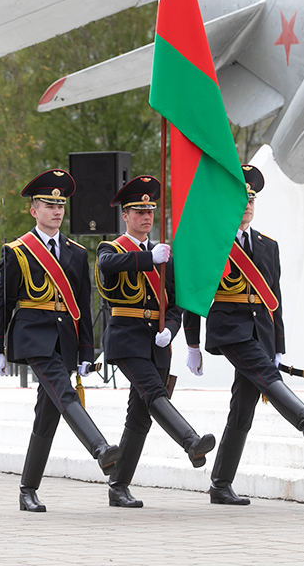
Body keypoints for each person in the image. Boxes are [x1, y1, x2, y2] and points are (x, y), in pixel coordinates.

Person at [183, 164, 304, 506]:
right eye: (240, 199)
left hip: (259, 333)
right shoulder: (213, 242)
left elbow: (273, 299)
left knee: (243, 409)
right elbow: (194, 294)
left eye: (251, 199)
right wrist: (192, 342)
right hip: (229, 330)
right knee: (264, 376)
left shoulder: (268, 245)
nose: (247, 205)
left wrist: (277, 345)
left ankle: (220, 484)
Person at [0, 169, 121, 513]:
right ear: (34, 210)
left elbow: (82, 302)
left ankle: (27, 490)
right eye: (49, 204)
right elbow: (2, 300)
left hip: (64, 338)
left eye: (61, 204)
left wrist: (86, 352)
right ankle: (101, 448)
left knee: (47, 415)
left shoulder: (76, 253)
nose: (57, 210)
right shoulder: (17, 250)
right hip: (33, 335)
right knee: (63, 392)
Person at [95, 175, 215, 508]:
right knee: (155, 393)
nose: (146, 217)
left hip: (157, 343)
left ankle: (118, 486)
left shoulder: (164, 255)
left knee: (140, 416)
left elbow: (176, 302)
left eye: (149, 211)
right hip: (126, 339)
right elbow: (108, 265)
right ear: (125, 216)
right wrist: (149, 259)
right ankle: (190, 441)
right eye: (138, 211)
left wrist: (172, 330)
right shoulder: (114, 248)